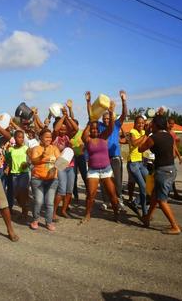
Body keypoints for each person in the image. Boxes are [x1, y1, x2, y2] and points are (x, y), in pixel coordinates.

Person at [81, 92, 121, 224]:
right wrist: (90, 119)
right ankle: (87, 214)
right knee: (90, 195)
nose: (93, 130)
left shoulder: (104, 136)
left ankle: (116, 214)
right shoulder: (87, 140)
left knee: (113, 196)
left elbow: (111, 126)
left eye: (95, 129)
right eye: (92, 129)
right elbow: (83, 134)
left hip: (106, 170)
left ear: (98, 129)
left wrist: (111, 112)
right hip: (93, 170)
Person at [138, 116, 181, 234]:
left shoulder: (154, 138)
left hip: (163, 172)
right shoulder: (169, 135)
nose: (150, 125)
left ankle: (175, 226)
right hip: (171, 169)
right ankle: (147, 218)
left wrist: (146, 134)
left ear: (156, 125)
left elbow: (140, 149)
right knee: (154, 196)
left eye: (152, 124)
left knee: (162, 201)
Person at [98, 90, 128, 210]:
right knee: (104, 180)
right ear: (102, 119)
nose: (106, 120)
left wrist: (123, 100)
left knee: (117, 180)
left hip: (115, 157)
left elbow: (124, 114)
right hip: (103, 158)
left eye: (107, 118)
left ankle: (119, 199)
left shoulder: (115, 124)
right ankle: (106, 201)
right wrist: (89, 102)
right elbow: (91, 116)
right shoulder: (99, 126)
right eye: (104, 118)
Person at [27, 128, 60, 231]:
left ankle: (49, 222)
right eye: (46, 137)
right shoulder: (36, 149)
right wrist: (41, 156)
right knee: (38, 201)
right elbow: (34, 161)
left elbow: (60, 161)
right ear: (40, 137)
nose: (49, 139)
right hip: (38, 179)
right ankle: (35, 220)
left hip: (52, 180)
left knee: (50, 202)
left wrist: (57, 166)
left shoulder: (54, 148)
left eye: (50, 137)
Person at [52, 105, 78, 221]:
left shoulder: (68, 136)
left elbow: (76, 128)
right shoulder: (54, 137)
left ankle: (63, 210)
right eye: (61, 128)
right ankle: (53, 212)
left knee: (69, 190)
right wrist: (63, 116)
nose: (62, 130)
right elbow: (56, 129)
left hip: (70, 166)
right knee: (61, 190)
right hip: (60, 166)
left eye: (64, 128)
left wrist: (67, 117)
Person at [127, 115, 149, 216]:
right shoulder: (132, 132)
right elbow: (135, 143)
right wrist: (145, 136)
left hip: (142, 162)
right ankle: (145, 212)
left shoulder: (144, 132)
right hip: (133, 163)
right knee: (143, 187)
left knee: (150, 184)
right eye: (138, 123)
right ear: (135, 124)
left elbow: (145, 144)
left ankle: (135, 203)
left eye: (142, 123)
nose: (141, 124)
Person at [8, 130, 30, 220]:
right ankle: (24, 208)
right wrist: (7, 168)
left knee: (22, 193)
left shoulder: (26, 148)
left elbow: (31, 158)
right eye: (19, 137)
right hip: (14, 174)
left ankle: (24, 211)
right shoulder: (10, 149)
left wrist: (27, 164)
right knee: (16, 194)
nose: (21, 139)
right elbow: (9, 160)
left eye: (22, 137)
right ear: (14, 138)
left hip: (23, 173)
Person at [168, 117, 182, 200]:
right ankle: (172, 192)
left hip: (172, 157)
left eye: (173, 123)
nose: (172, 125)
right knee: (170, 174)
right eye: (170, 123)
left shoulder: (173, 134)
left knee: (172, 174)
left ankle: (173, 192)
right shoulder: (164, 133)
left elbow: (174, 145)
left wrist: (179, 156)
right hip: (166, 157)